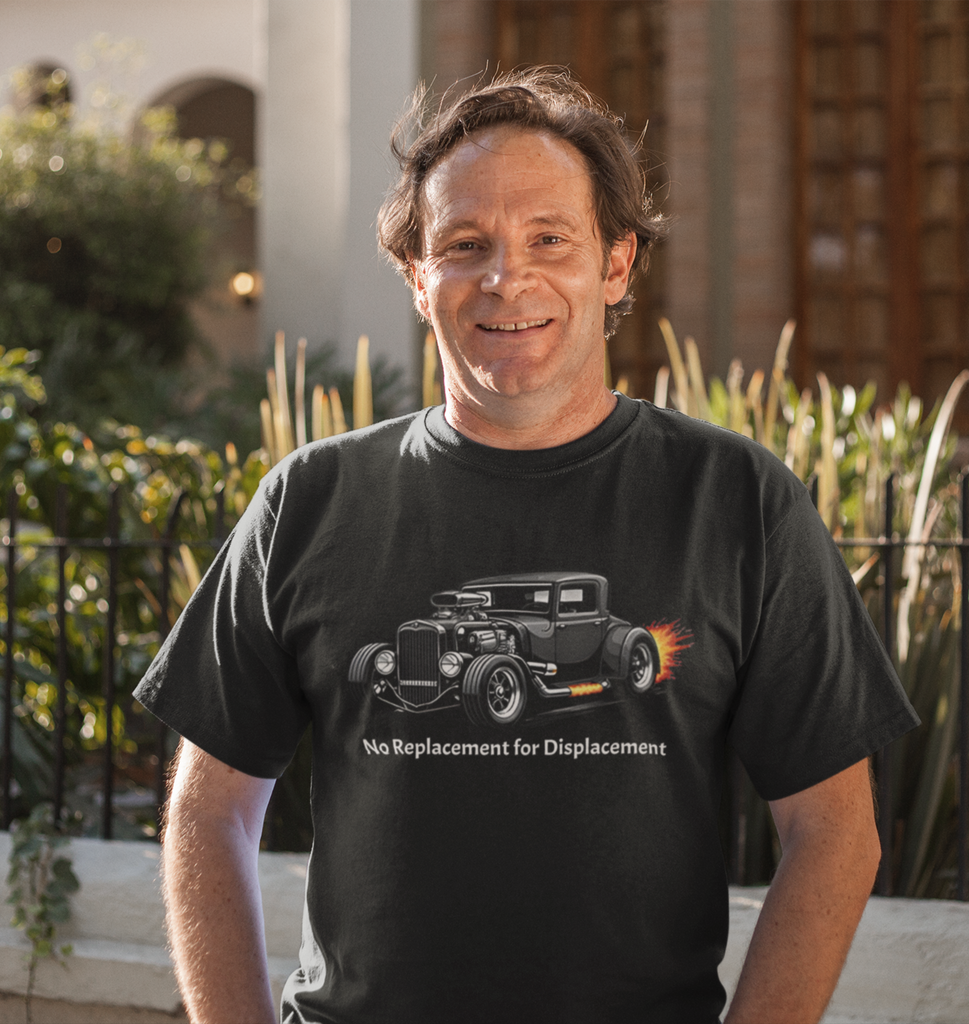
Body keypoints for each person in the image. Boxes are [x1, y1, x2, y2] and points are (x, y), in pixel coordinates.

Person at [136, 69, 919, 1024]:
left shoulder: (736, 500)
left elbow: (836, 831)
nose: (507, 279)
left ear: (616, 266)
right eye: (465, 245)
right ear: (419, 276)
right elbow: (208, 810)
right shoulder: (312, 500)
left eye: (550, 239)